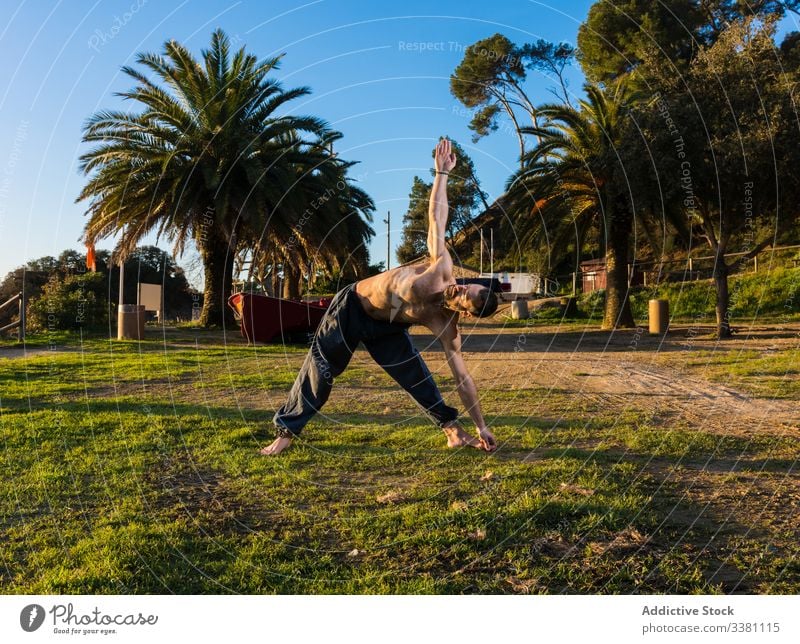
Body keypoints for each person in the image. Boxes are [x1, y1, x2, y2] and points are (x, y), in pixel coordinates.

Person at [261, 138, 498, 456]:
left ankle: (453, 431)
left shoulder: (446, 326)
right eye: (472, 287)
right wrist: (441, 174)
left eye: (471, 297)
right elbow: (436, 219)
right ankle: (286, 433)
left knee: (416, 377)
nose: (464, 289)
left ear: (467, 312)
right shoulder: (441, 268)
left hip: (387, 327)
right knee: (322, 366)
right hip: (352, 308)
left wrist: (482, 425)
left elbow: (463, 379)